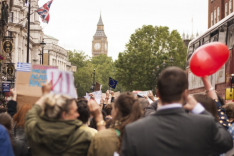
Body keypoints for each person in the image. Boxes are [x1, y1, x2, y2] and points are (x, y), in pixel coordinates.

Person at [121, 67, 232, 156]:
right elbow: (227, 142)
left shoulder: (133, 130)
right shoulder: (204, 124)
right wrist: (200, 110)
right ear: (185, 94)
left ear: (158, 94)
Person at [25, 83, 93, 156]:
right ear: (64, 115)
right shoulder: (83, 136)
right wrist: (99, 118)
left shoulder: (36, 130)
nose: (78, 114)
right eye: (75, 111)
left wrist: (45, 95)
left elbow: (31, 114)